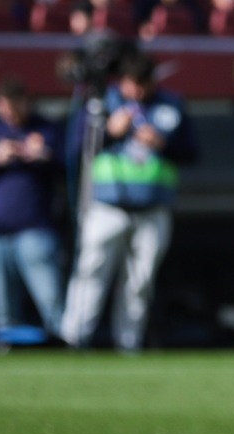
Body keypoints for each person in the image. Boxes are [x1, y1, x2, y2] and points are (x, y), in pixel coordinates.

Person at [60, 54, 197, 352]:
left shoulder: (171, 105)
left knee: (140, 280)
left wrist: (164, 144)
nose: (134, 91)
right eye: (129, 84)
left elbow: (192, 152)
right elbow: (74, 149)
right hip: (107, 206)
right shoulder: (102, 102)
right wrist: (109, 132)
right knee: (92, 271)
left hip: (153, 207)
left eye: (141, 84)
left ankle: (129, 342)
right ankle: (73, 338)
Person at [0, 77, 65, 339]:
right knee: (3, 311)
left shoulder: (46, 128)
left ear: (25, 102)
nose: (9, 116)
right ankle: (7, 354)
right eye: (4, 110)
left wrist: (40, 155)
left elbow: (65, 169)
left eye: (14, 109)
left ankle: (63, 349)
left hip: (34, 232)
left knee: (51, 302)